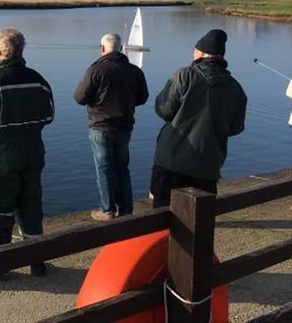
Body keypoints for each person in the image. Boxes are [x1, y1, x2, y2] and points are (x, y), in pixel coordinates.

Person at [0, 28, 54, 277]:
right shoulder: (38, 79)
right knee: (31, 203)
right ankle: (36, 263)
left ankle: (0, 266)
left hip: (2, 154)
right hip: (33, 151)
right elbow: (49, 116)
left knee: (0, 206)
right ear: (22, 50)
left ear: (0, 51)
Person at [150, 29, 247, 207]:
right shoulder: (236, 88)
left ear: (201, 53)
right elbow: (236, 128)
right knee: (201, 218)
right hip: (209, 166)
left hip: (172, 161)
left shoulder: (184, 76)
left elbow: (164, 110)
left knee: (162, 216)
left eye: (194, 50)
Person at [73, 33, 149, 220]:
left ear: (101, 49)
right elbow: (143, 98)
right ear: (121, 48)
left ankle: (107, 210)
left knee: (104, 168)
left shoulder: (96, 70)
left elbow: (79, 98)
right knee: (123, 167)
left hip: (100, 127)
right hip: (124, 127)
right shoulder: (135, 71)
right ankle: (126, 209)